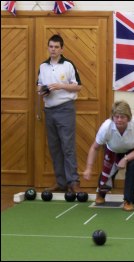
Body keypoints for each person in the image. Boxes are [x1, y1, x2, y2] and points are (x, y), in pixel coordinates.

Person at [37, 34, 82, 193]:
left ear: (62, 49)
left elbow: (77, 87)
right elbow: (39, 86)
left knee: (68, 146)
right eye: (51, 46)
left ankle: (74, 182)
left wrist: (60, 86)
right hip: (49, 110)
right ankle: (61, 182)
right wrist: (43, 91)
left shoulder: (68, 65)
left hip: (65, 108)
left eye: (56, 47)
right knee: (54, 147)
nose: (53, 50)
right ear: (48, 48)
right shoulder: (43, 66)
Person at [83, 100, 134, 211]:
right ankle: (101, 194)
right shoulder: (106, 127)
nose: (119, 120)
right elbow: (94, 148)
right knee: (107, 171)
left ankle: (128, 200)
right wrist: (88, 168)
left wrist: (126, 159)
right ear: (112, 117)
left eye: (122, 117)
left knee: (133, 167)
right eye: (116, 117)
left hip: (132, 150)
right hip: (113, 149)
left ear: (128, 117)